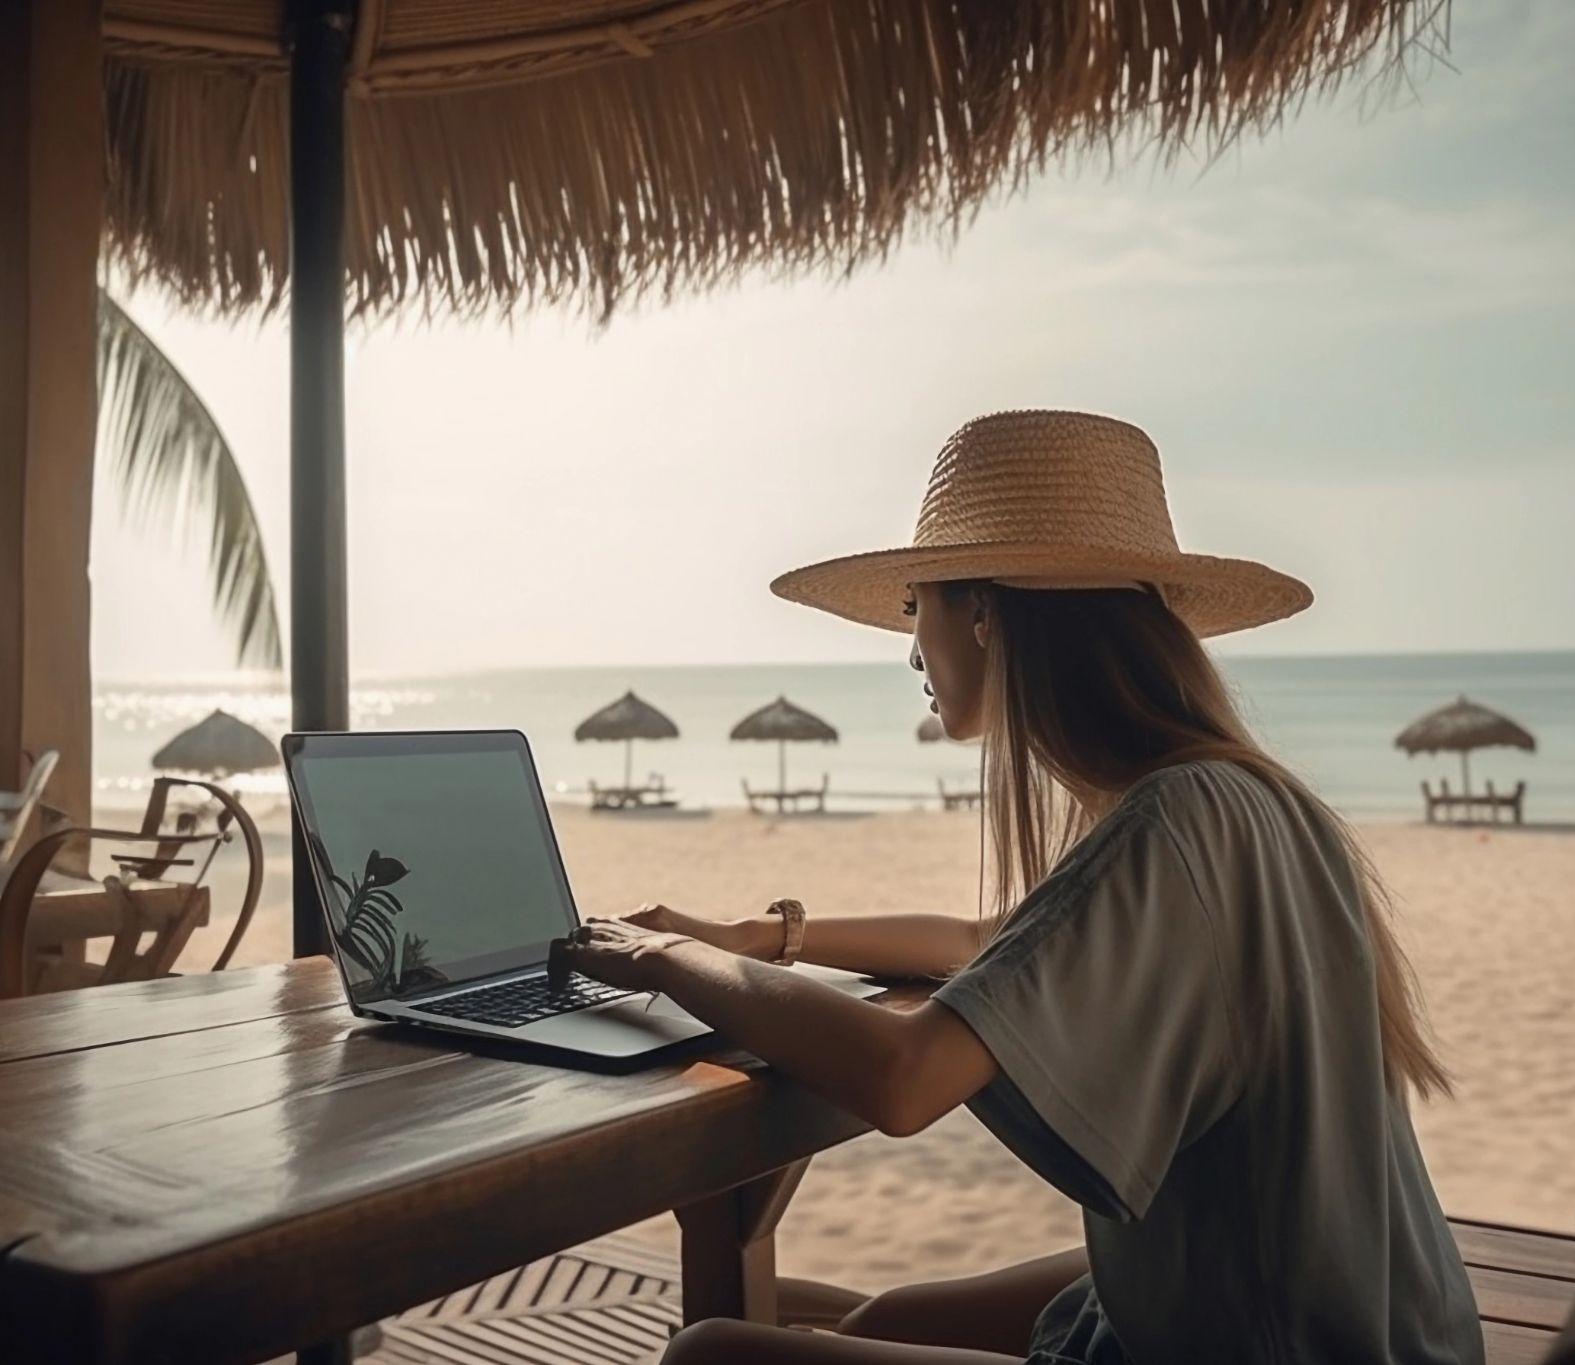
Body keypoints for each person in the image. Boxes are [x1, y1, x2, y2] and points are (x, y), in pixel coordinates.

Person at [557, 411, 1484, 1364]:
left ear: (986, 612)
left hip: (1285, 1339)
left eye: (919, 607)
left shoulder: (1178, 819)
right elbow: (987, 942)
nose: (914, 651)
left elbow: (907, 1076)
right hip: (1338, 1307)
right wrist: (763, 936)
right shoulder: (1238, 799)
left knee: (709, 1354)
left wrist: (668, 959)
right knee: (882, 1321)